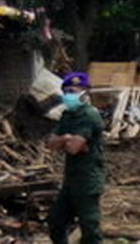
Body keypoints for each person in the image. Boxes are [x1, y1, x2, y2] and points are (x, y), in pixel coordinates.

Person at [46, 71, 105, 244]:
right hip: (70, 179)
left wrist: (65, 141)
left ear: (85, 92)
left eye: (72, 91)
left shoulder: (89, 115)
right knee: (55, 220)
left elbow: (72, 148)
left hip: (88, 180)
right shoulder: (67, 116)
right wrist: (66, 138)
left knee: (89, 227)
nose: (67, 96)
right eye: (65, 92)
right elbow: (50, 144)